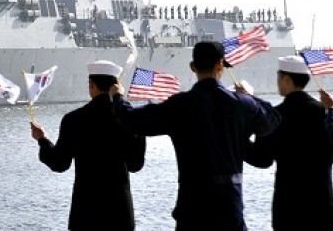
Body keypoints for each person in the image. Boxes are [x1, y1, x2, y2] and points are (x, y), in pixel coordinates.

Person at [111, 40, 281, 230]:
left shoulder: (180, 105)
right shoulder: (241, 105)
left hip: (192, 210)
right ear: (221, 65)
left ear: (193, 67)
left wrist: (118, 98)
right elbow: (272, 120)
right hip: (229, 209)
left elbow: (132, 120)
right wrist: (250, 97)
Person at [31, 60, 146, 230]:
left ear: (92, 85)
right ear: (116, 86)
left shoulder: (74, 119)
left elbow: (59, 163)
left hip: (85, 213)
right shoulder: (127, 118)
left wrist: (42, 140)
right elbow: (136, 164)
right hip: (119, 214)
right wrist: (137, 125)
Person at [243, 55, 333, 230]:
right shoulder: (323, 114)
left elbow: (262, 159)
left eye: (279, 77)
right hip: (322, 206)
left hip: (288, 207)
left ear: (286, 79)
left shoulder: (275, 116)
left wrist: (240, 138)